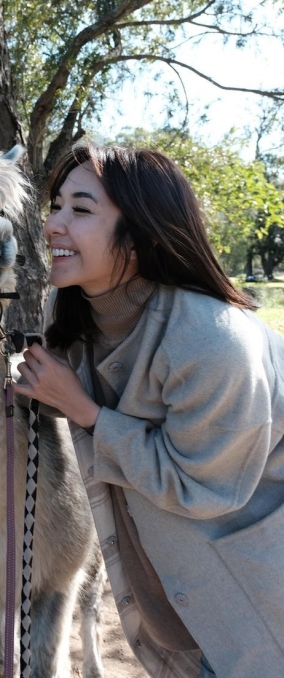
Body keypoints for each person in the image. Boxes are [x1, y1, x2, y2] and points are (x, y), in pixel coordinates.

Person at [15, 144, 284, 678]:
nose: (53, 226)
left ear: (139, 235)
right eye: (57, 206)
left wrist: (86, 411)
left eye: (81, 210)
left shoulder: (213, 343)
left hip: (259, 619)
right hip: (176, 618)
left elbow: (200, 487)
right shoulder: (69, 321)